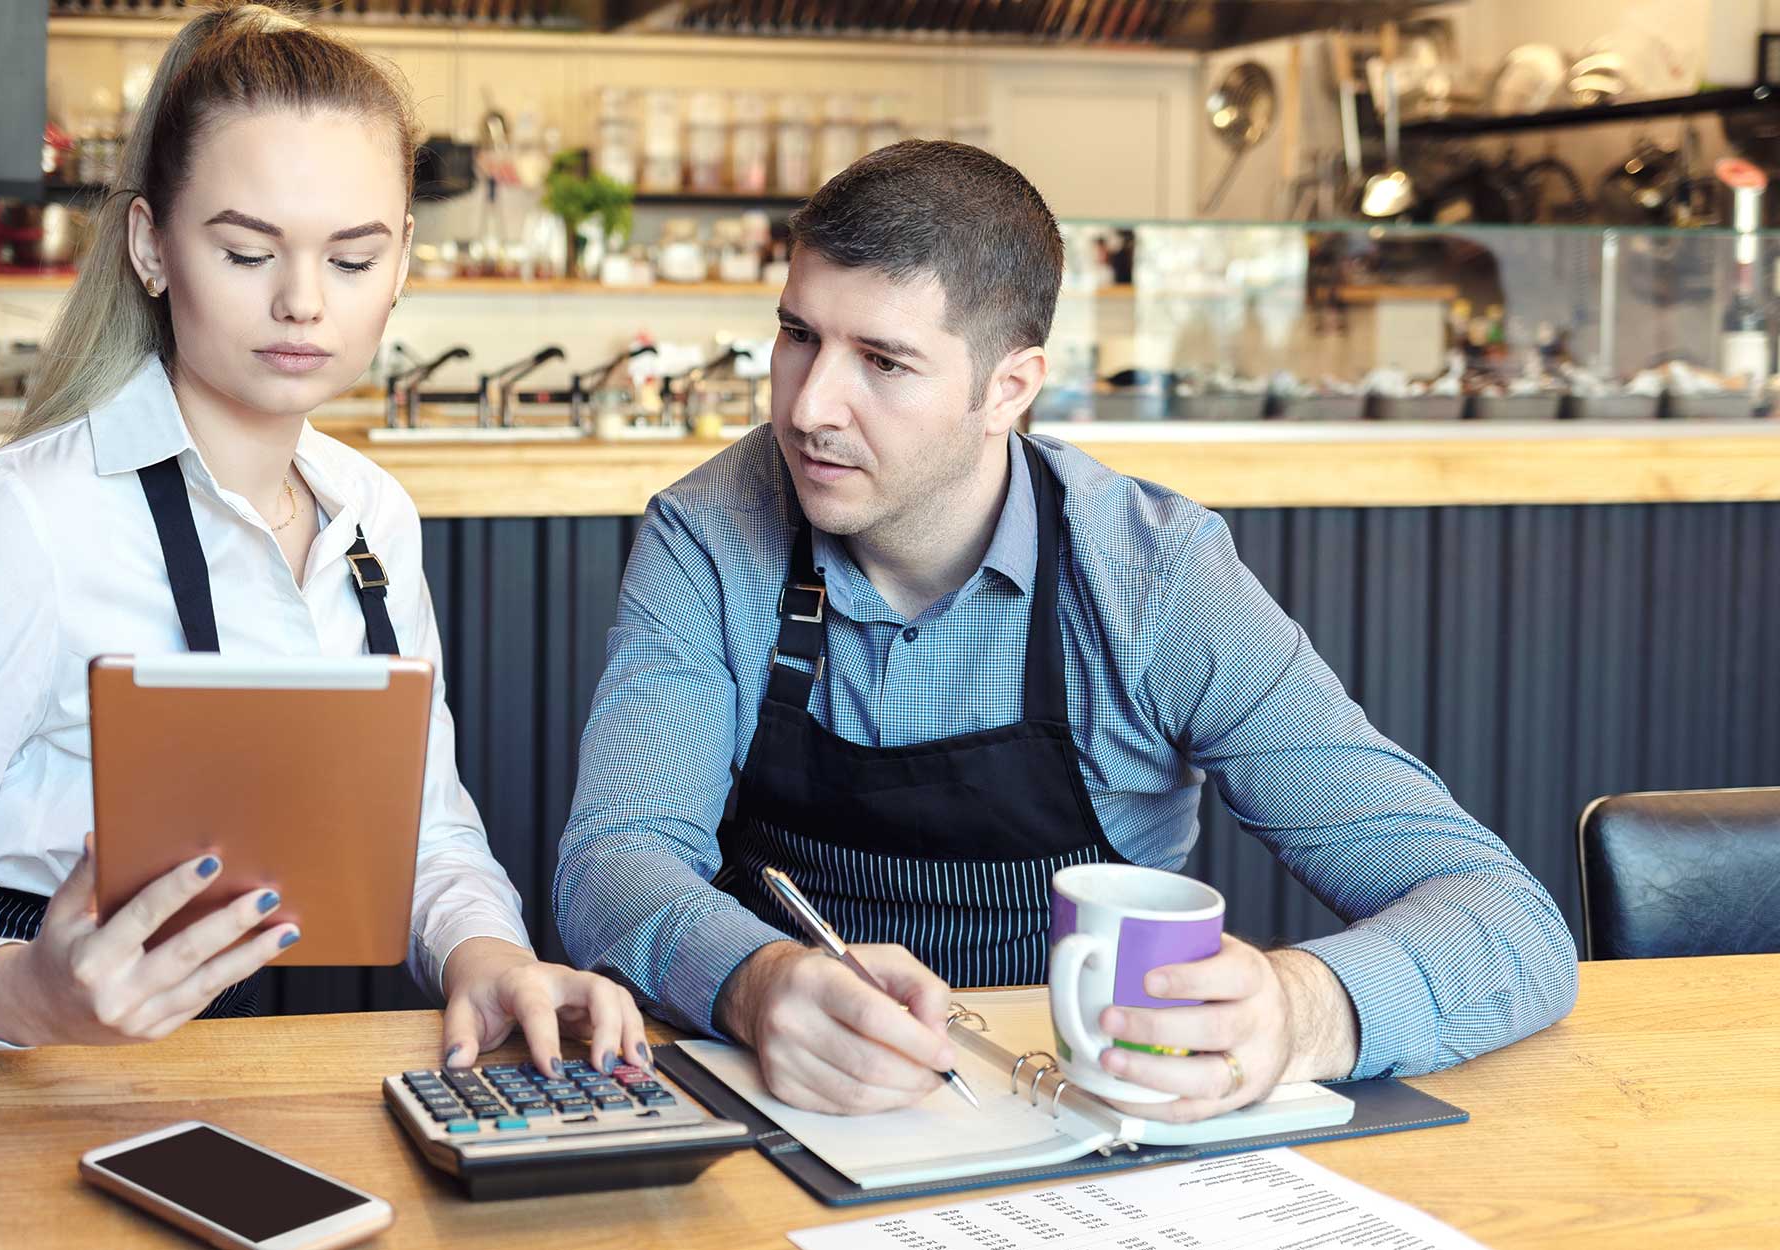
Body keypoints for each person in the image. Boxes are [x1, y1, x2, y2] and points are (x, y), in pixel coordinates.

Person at [554, 141, 1579, 1120]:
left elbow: (1505, 917)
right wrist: (752, 979)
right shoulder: (708, 534)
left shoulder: (1152, 577)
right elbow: (612, 861)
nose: (809, 403)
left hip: (1093, 1125)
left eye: (881, 360)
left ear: (1008, 386)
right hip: (793, 1107)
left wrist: (1303, 1011)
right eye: (796, 335)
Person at [0, 1, 646, 1076]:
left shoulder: (373, 515)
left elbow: (422, 830)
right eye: (245, 251)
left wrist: (489, 954)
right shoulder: (26, 523)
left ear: (404, 259)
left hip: (242, 1073)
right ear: (151, 245)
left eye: (351, 257)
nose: (300, 302)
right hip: (10, 1087)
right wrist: (26, 990)